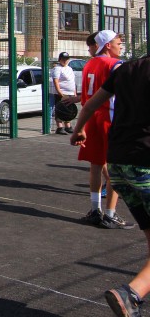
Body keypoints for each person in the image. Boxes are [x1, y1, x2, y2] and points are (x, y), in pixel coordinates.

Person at [70, 54, 150, 316]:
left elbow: (90, 105)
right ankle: (131, 294)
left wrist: (79, 129)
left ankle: (135, 295)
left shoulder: (128, 69)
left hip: (118, 164)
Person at [74, 30, 132, 229]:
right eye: (118, 42)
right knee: (116, 169)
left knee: (96, 165)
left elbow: (87, 96)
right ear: (108, 45)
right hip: (110, 118)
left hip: (91, 118)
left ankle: (95, 210)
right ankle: (110, 214)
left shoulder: (88, 64)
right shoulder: (115, 65)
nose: (120, 46)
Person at [51, 52, 77, 135]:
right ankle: (59, 127)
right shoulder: (57, 68)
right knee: (61, 109)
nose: (65, 61)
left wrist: (74, 92)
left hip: (70, 93)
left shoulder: (69, 68)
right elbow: (56, 81)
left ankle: (68, 127)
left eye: (66, 59)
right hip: (62, 93)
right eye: (63, 59)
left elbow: (72, 81)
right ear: (60, 59)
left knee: (69, 110)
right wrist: (59, 92)